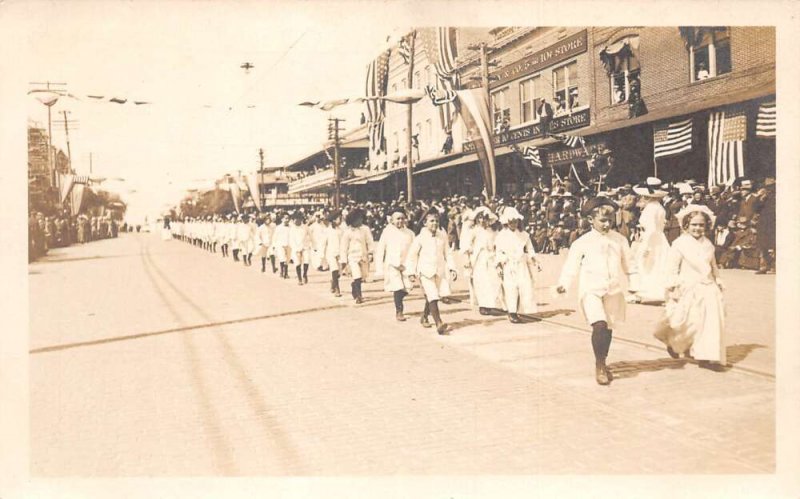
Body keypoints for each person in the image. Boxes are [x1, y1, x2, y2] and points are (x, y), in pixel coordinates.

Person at [556, 197, 634, 386]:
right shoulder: (582, 242)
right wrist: (563, 284)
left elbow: (630, 265)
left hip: (613, 289)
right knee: (598, 324)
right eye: (603, 221)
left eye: (610, 220)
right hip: (591, 289)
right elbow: (571, 266)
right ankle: (599, 365)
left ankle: (603, 359)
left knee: (607, 328)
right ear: (591, 220)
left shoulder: (620, 240)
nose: (607, 224)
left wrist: (635, 284)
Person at [654, 205, 726, 370]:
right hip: (687, 287)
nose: (697, 228)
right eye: (694, 224)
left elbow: (713, 265)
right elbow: (671, 267)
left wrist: (718, 279)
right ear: (685, 225)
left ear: (707, 226)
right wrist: (673, 286)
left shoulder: (708, 244)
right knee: (689, 322)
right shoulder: (680, 244)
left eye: (701, 225)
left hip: (708, 287)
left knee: (709, 322)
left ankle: (706, 356)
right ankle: (674, 343)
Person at [405, 210, 457, 335]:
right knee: (433, 295)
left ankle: (424, 316)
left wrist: (452, 268)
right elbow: (412, 256)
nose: (434, 223)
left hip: (438, 270)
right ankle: (439, 322)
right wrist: (411, 272)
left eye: (437, 221)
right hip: (425, 271)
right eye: (431, 221)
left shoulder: (442, 236)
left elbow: (448, 253)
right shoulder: (420, 238)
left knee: (432, 296)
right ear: (425, 223)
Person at [495, 207, 540, 323]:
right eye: (511, 222)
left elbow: (530, 249)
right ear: (506, 222)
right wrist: (500, 263)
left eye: (515, 222)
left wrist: (535, 260)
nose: (513, 224)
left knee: (524, 286)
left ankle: (519, 309)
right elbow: (499, 251)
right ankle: (512, 312)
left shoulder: (523, 235)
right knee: (511, 288)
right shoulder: (502, 235)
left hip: (521, 264)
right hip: (509, 264)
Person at [629, 177, 670, 303]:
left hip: (651, 240)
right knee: (658, 265)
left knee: (646, 265)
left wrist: (646, 246)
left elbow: (651, 229)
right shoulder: (659, 207)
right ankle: (654, 292)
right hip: (660, 239)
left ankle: (648, 293)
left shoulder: (651, 208)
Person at [376, 208, 415, 321]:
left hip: (406, 265)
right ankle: (399, 310)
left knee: (407, 287)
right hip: (392, 265)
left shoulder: (410, 233)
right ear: (392, 220)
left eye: (402, 218)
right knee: (397, 287)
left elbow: (414, 250)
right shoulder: (387, 232)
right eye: (398, 219)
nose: (400, 221)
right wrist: (379, 268)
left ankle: (399, 300)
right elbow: (381, 249)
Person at [339, 208, 373, 304]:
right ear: (352, 220)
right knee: (357, 275)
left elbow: (369, 241)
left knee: (363, 276)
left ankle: (354, 286)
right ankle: (359, 296)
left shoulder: (365, 229)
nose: (360, 221)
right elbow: (343, 247)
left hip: (363, 256)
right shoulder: (347, 232)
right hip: (352, 258)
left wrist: (371, 252)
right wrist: (344, 260)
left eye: (361, 218)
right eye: (358, 219)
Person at [755, 179, 775, 274]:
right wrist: (760, 198)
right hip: (763, 222)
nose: (769, 189)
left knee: (774, 244)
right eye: (767, 187)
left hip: (773, 222)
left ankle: (774, 266)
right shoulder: (764, 196)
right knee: (763, 244)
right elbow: (755, 209)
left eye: (771, 186)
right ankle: (764, 266)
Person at [322, 211, 343, 296]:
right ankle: (337, 289)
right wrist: (321, 256)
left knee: (339, 273)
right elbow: (323, 243)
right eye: (339, 218)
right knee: (334, 270)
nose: (341, 220)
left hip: (340, 254)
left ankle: (333, 282)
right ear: (334, 220)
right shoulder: (327, 231)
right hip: (331, 253)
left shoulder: (341, 231)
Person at [289, 211, 312, 285]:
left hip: (305, 247)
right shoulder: (292, 228)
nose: (297, 220)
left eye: (299, 219)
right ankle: (299, 278)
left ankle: (305, 274)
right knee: (297, 262)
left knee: (306, 260)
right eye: (295, 219)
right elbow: (291, 240)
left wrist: (314, 246)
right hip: (296, 248)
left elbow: (311, 237)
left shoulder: (305, 227)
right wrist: (296, 249)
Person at [272, 214, 291, 278]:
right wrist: (274, 245)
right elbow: (275, 237)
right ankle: (283, 272)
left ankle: (285, 272)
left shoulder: (291, 227)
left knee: (287, 259)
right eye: (285, 218)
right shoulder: (278, 227)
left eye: (288, 218)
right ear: (282, 219)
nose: (287, 220)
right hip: (280, 245)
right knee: (282, 258)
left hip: (289, 245)